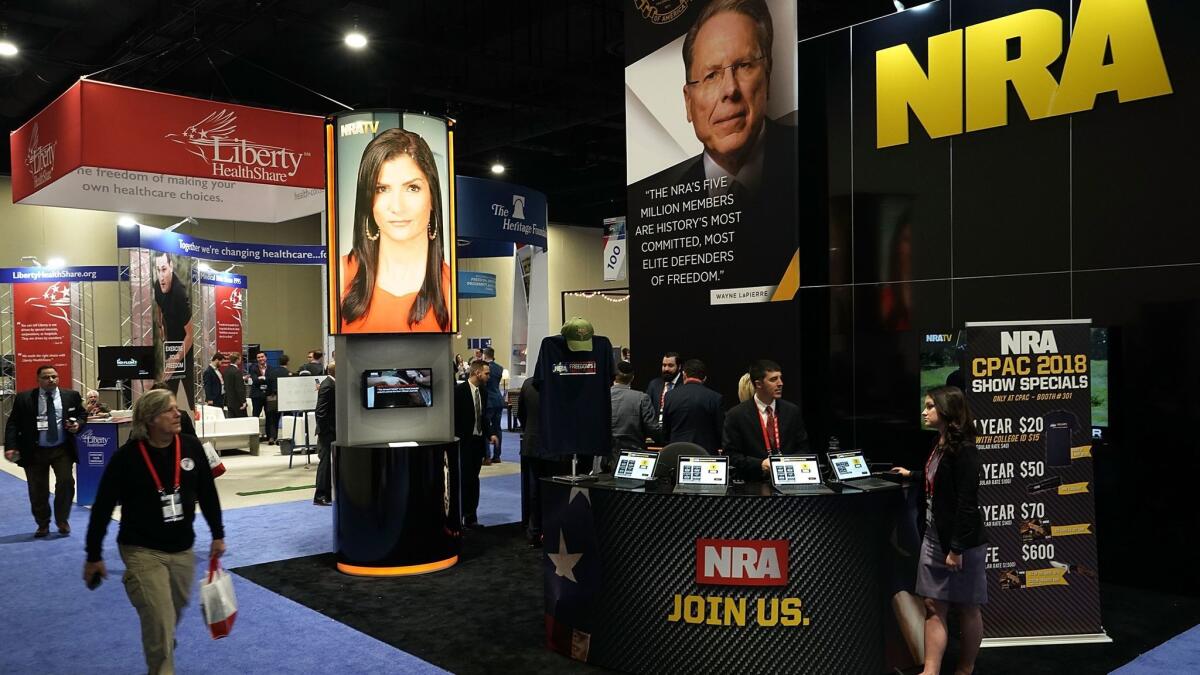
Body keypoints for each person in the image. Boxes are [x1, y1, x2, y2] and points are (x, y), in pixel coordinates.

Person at [629, 0, 799, 290]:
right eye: (711, 76)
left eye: (744, 65)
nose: (730, 90)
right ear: (688, 102)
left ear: (768, 75)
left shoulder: (806, 162)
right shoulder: (660, 207)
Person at [83, 388, 225, 675]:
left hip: (184, 548)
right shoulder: (127, 457)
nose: (178, 414)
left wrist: (218, 534)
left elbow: (207, 492)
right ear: (149, 419)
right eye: (169, 410)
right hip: (141, 550)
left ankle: (160, 638)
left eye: (176, 409)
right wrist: (94, 554)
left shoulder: (190, 446)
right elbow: (102, 507)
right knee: (159, 621)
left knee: (171, 612)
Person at [891, 386, 988, 675]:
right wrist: (913, 475)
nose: (924, 411)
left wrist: (956, 549)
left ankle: (964, 669)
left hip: (961, 543)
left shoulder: (965, 450)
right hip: (934, 538)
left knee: (968, 607)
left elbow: (967, 504)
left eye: (930, 406)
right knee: (933, 604)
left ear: (946, 410)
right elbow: (941, 484)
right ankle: (930, 671)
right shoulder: (939, 443)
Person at [339, 128, 451, 333]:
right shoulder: (340, 275)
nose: (397, 207)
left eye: (412, 188)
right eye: (382, 189)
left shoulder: (449, 287)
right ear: (368, 200)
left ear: (432, 196)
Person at [4, 365, 87, 537]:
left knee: (66, 482)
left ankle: (62, 519)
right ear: (38, 380)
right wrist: (11, 446)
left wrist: (78, 424)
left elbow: (82, 414)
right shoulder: (24, 398)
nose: (51, 380)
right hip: (34, 450)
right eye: (46, 377)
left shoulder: (71, 396)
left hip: (62, 448)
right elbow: (13, 423)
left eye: (54, 376)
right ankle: (43, 523)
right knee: (37, 489)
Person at [722, 359, 809, 481]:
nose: (780, 383)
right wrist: (760, 464)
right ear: (758, 384)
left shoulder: (792, 411)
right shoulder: (736, 415)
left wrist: (788, 462)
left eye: (780, 378)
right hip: (753, 484)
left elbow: (804, 448)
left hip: (789, 480)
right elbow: (731, 455)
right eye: (773, 379)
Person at [453, 360, 499, 529]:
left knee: (474, 480)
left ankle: (471, 516)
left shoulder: (484, 392)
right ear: (477, 373)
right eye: (486, 373)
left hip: (478, 443)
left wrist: (491, 433)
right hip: (463, 443)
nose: (489, 376)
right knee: (465, 480)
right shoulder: (459, 392)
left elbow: (483, 417)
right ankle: (462, 516)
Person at [151, 252, 195, 411]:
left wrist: (176, 358)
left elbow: (190, 335)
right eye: (158, 270)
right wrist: (161, 326)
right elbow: (160, 308)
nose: (161, 276)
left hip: (185, 348)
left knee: (188, 395)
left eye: (164, 269)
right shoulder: (157, 285)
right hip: (170, 345)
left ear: (171, 267)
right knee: (167, 391)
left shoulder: (179, 294)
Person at [661, 359, 724, 454]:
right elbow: (720, 431)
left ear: (684, 375)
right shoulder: (715, 398)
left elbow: (665, 431)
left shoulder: (670, 396)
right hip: (705, 455)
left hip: (677, 453)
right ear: (704, 378)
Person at [610, 360, 660, 458]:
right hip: (634, 455)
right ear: (632, 378)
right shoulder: (642, 398)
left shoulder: (601, 397)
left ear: (614, 376)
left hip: (605, 458)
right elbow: (652, 428)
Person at [314, 362, 336, 506]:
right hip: (327, 432)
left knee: (328, 463)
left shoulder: (330, 383)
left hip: (331, 430)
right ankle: (320, 494)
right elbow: (320, 411)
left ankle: (327, 494)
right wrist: (325, 431)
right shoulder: (328, 385)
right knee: (325, 463)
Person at [482, 347, 505, 463]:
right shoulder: (500, 368)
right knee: (497, 428)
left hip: (489, 401)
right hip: (498, 400)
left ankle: (486, 456)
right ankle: (497, 456)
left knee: (486, 427)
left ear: (485, 356)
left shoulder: (484, 368)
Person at [645, 351, 683, 422]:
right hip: (656, 428)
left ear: (679, 367)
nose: (666, 369)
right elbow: (647, 408)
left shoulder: (684, 385)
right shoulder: (654, 384)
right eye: (664, 365)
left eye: (670, 365)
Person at [265, 354, 292, 445]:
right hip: (285, 398)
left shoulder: (272, 372)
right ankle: (285, 437)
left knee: (272, 418)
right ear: (287, 362)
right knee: (287, 417)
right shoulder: (288, 373)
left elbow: (268, 385)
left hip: (273, 397)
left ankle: (272, 437)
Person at [248, 351, 270, 436]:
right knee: (255, 415)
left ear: (266, 358)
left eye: (262, 357)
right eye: (258, 357)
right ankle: (255, 435)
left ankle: (269, 435)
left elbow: (271, 380)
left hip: (268, 395)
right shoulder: (253, 368)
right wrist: (264, 379)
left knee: (269, 416)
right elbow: (255, 381)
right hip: (256, 395)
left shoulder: (271, 368)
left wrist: (262, 378)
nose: (260, 359)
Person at [222, 353, 247, 419]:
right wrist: (243, 401)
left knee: (232, 422)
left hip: (229, 402)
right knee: (241, 422)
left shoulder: (226, 371)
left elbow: (228, 385)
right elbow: (239, 388)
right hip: (238, 402)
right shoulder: (237, 371)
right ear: (238, 359)